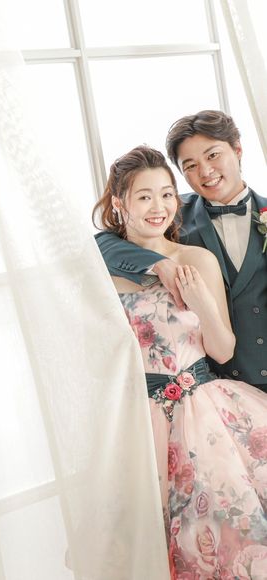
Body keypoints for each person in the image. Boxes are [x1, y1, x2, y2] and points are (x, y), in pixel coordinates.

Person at [93, 145, 267, 578]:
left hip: (205, 412)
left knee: (223, 534)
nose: (159, 207)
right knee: (150, 541)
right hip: (140, 417)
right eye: (144, 196)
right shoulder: (100, 267)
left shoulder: (196, 258)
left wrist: (201, 302)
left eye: (167, 194)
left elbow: (222, 349)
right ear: (120, 203)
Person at [96, 110, 267, 391]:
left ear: (237, 149)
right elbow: (104, 243)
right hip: (209, 382)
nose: (205, 171)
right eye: (190, 165)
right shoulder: (170, 213)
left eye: (213, 155)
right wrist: (157, 263)